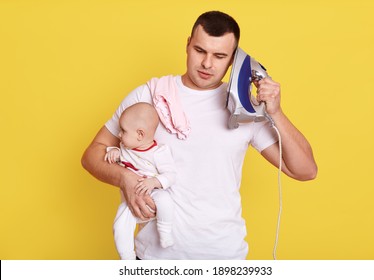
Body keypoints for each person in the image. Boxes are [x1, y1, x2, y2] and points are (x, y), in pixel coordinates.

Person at [81, 10, 317, 260]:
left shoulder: (245, 108)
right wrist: (125, 179)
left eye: (219, 56)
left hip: (224, 258)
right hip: (153, 260)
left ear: (233, 61)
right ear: (187, 45)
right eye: (200, 51)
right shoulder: (150, 95)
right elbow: (92, 155)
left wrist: (276, 113)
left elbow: (304, 170)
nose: (207, 64)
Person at [104, 102, 176, 260]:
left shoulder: (159, 152)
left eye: (123, 131)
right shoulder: (124, 149)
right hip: (132, 200)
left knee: (165, 200)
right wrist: (113, 151)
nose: (119, 135)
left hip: (154, 192)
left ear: (140, 135)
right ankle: (127, 256)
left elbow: (171, 175)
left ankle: (165, 231)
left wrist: (154, 182)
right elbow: (114, 156)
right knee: (120, 225)